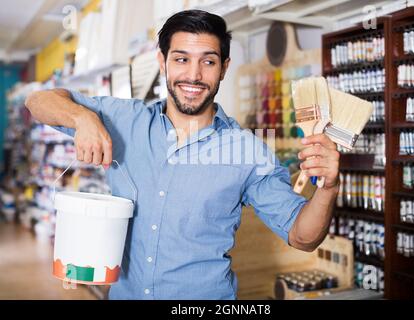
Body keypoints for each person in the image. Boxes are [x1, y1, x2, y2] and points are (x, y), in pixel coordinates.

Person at [25, 10, 340, 300]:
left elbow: (303, 237)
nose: (193, 75)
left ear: (224, 68)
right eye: (181, 59)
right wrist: (83, 118)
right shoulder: (123, 120)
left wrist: (328, 188)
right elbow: (39, 101)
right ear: (162, 62)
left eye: (208, 61)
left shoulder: (247, 152)